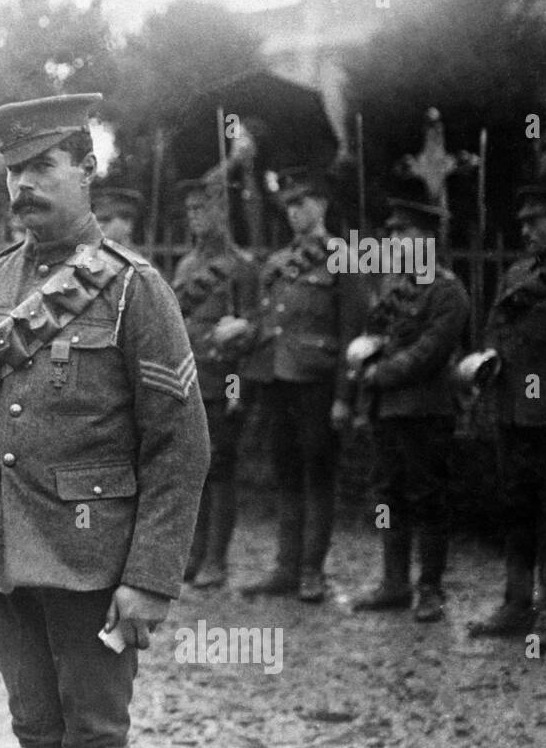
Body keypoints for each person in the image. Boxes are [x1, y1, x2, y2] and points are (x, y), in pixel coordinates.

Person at [0, 94, 209, 748]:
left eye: (44, 165)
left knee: (96, 741)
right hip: (4, 545)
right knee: (38, 737)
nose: (25, 185)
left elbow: (179, 444)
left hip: (93, 558)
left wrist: (150, 576)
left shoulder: (133, 287)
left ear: (87, 169)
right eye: (14, 170)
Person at [464, 156, 546, 651]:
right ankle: (514, 603)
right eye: (523, 222)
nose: (526, 230)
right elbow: (496, 329)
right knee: (515, 511)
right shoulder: (515, 275)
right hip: (513, 413)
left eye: (536, 222)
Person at [240, 168, 370, 603]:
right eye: (290, 206)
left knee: (318, 475)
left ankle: (313, 570)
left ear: (323, 205)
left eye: (303, 204)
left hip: (317, 382)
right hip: (278, 379)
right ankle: (285, 567)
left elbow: (353, 333)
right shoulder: (277, 263)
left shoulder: (344, 257)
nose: (295, 213)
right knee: (287, 475)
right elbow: (266, 324)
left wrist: (344, 397)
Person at [350, 186, 469, 622]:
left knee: (429, 499)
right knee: (386, 497)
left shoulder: (447, 292)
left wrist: (378, 373)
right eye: (392, 235)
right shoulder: (392, 288)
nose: (394, 242)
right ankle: (393, 580)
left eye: (403, 234)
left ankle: (431, 588)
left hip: (425, 411)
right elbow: (376, 336)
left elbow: (430, 353)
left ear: (426, 240)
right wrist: (365, 350)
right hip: (387, 412)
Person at [171, 176, 259, 589]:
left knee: (220, 468)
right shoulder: (187, 266)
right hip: (189, 379)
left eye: (204, 209)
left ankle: (217, 560)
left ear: (224, 212)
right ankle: (194, 552)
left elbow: (249, 332)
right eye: (190, 210)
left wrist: (238, 391)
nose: (196, 217)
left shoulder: (240, 265)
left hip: (222, 380)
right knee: (192, 470)